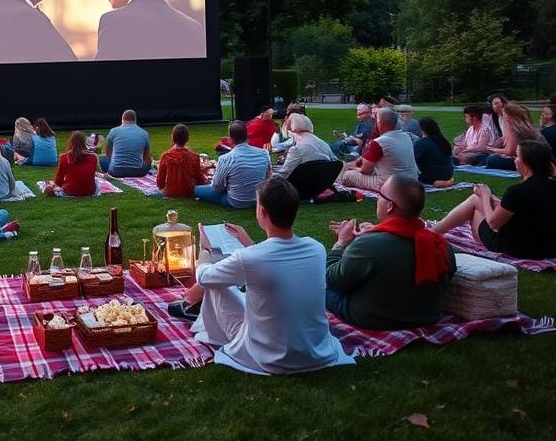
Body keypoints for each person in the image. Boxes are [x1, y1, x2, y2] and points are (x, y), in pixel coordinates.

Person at [172, 177, 353, 375]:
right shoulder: (316, 248)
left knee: (217, 282)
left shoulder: (251, 258)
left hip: (268, 356)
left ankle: (192, 305)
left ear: (262, 211)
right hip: (316, 351)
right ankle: (194, 303)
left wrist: (205, 250)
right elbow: (275, 262)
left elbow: (205, 277)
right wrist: (246, 240)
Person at [325, 175, 456, 330]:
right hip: (426, 317)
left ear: (389, 206)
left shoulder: (369, 245)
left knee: (316, 284)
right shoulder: (441, 244)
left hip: (373, 318)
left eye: (380, 193)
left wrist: (341, 243)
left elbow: (333, 280)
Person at [431, 139, 556, 259]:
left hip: (518, 248)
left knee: (476, 200)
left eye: (517, 156)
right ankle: (435, 231)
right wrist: (490, 198)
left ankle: (432, 233)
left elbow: (493, 224)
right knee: (482, 199)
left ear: (527, 163)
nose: (514, 159)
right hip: (547, 248)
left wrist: (486, 196)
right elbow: (523, 209)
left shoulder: (517, 192)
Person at [340, 107, 418, 193]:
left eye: (375, 121)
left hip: (390, 184)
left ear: (381, 123)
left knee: (347, 175)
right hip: (412, 181)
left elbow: (365, 170)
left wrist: (352, 168)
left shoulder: (379, 142)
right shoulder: (406, 136)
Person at [195, 121, 271, 208]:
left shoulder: (226, 158)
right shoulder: (264, 153)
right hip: (258, 198)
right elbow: (268, 177)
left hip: (235, 201)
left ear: (230, 137)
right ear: (247, 135)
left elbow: (217, 187)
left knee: (197, 190)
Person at [485, 104, 546, 170]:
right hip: (534, 160)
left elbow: (510, 152)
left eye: (504, 115)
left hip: (528, 161)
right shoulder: (525, 126)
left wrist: (493, 150)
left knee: (491, 159)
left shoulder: (515, 129)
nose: (503, 117)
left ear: (509, 116)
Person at [156, 124, 208, 199]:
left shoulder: (165, 156)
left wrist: (162, 188)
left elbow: (160, 180)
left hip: (170, 192)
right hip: (190, 191)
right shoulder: (194, 156)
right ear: (187, 138)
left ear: (173, 137)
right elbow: (199, 178)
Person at [274, 114, 334, 179]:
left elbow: (283, 175)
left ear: (291, 130)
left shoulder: (296, 149)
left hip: (301, 185)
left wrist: (269, 174)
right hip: (323, 183)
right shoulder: (324, 143)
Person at [99, 109, 152, 178]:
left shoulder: (114, 131)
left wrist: (116, 161)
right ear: (135, 120)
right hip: (139, 172)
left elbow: (107, 152)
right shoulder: (144, 133)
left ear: (122, 120)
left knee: (102, 160)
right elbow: (147, 158)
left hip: (116, 171)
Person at [48, 131, 100, 197]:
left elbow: (58, 181)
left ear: (70, 141)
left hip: (70, 191)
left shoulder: (64, 157)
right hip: (90, 191)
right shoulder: (93, 156)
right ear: (84, 142)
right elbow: (99, 171)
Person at [414, 117, 455, 187]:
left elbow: (413, 158)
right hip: (448, 173)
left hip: (432, 175)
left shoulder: (421, 142)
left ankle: (435, 182)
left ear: (422, 129)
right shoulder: (443, 141)